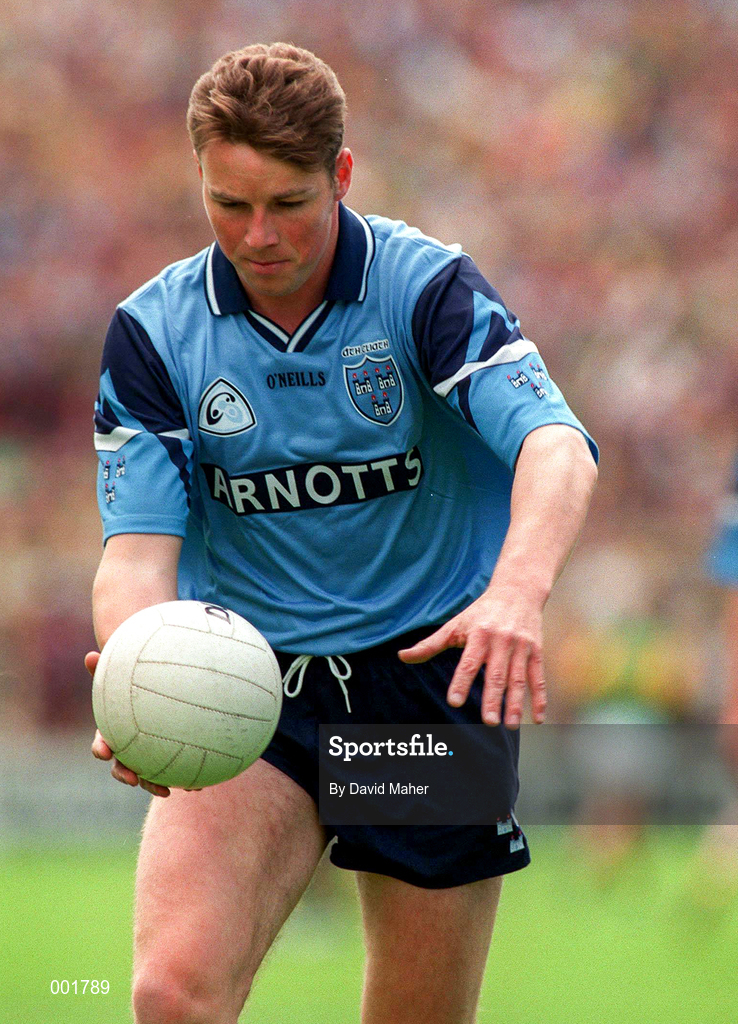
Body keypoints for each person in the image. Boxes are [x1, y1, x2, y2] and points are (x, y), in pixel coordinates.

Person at [87, 43, 598, 1024]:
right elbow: (137, 553)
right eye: (229, 204)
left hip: (423, 682)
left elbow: (556, 445)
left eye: (288, 202)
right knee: (171, 995)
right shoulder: (154, 333)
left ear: (343, 175)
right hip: (247, 684)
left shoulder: (426, 290)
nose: (259, 235)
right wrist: (134, 660)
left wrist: (516, 591)